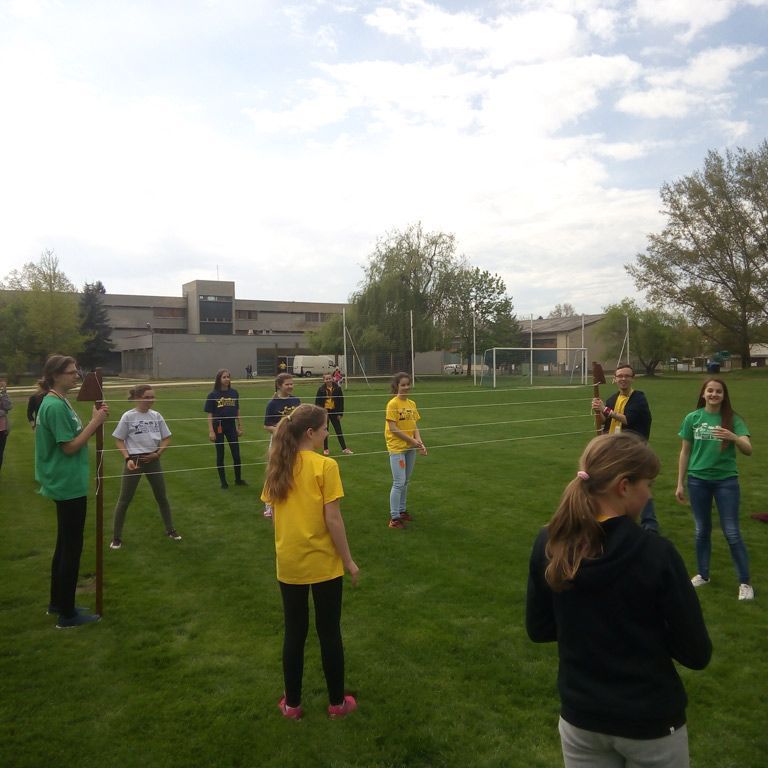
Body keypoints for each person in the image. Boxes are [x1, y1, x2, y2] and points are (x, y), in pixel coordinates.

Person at [526, 432, 711, 768]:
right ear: (624, 486)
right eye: (648, 485)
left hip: (581, 717)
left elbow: (540, 628)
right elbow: (696, 652)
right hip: (649, 722)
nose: (649, 494)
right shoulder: (657, 554)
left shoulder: (549, 542)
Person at [260, 403, 359, 720]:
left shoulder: (278, 464)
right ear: (310, 432)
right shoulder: (325, 466)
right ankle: (337, 704)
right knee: (329, 632)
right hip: (323, 563)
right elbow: (334, 519)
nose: (327, 432)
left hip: (289, 562)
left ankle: (292, 705)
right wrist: (349, 561)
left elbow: (271, 513)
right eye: (325, 428)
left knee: (294, 632)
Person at [34, 354, 109, 629]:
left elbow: (72, 434)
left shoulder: (58, 400)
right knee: (71, 549)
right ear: (55, 375)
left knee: (64, 544)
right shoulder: (54, 405)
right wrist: (96, 422)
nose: (77, 375)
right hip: (66, 484)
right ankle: (67, 615)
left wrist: (92, 419)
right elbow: (69, 447)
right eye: (71, 372)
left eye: (76, 371)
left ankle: (58, 602)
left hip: (66, 481)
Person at [675, 378, 754, 600]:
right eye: (710, 390)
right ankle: (703, 574)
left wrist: (734, 437)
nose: (714, 394)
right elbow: (685, 452)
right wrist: (680, 482)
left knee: (732, 532)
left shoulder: (733, 419)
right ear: (703, 394)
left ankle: (745, 583)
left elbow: (748, 449)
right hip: (697, 481)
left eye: (718, 391)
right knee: (702, 530)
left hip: (726, 481)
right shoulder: (693, 418)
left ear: (723, 395)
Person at [110, 385, 181, 550]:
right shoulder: (128, 416)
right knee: (124, 500)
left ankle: (170, 529)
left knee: (161, 497)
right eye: (147, 397)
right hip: (134, 461)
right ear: (138, 398)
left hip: (153, 460)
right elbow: (119, 440)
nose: (151, 400)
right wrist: (127, 458)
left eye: (152, 397)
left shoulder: (156, 416)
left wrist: (158, 453)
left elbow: (167, 438)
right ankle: (116, 537)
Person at [591, 363, 659, 533]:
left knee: (639, 484)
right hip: (616, 450)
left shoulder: (639, 398)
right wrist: (598, 411)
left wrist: (605, 410)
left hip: (635, 450)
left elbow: (627, 419)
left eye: (627, 376)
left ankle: (650, 525)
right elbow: (606, 421)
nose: (623, 379)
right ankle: (621, 520)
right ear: (614, 379)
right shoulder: (613, 399)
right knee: (618, 487)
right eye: (620, 376)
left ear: (632, 379)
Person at [385, 372, 427, 529]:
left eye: (408, 384)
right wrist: (411, 441)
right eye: (403, 385)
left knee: (406, 481)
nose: (406, 387)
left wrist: (420, 443)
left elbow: (414, 426)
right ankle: (394, 518)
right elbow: (393, 428)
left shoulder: (411, 404)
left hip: (410, 448)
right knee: (398, 482)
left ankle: (402, 511)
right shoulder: (392, 404)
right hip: (397, 448)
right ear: (396, 386)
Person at [263, 373, 301, 519]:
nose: (290, 386)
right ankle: (269, 504)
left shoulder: (296, 400)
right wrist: (281, 431)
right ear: (279, 386)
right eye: (287, 384)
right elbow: (267, 425)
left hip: (295, 441)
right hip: (278, 442)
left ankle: (291, 499)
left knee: (295, 469)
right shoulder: (272, 403)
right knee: (275, 471)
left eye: (292, 383)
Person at [204, 369, 245, 489]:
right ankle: (223, 482)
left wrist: (240, 425)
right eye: (224, 377)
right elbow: (210, 414)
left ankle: (238, 479)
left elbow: (237, 410)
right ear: (219, 379)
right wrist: (211, 431)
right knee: (220, 454)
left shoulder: (234, 393)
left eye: (228, 377)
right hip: (219, 426)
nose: (227, 379)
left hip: (231, 425)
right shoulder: (213, 395)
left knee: (236, 454)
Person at [314, 372, 352, 456]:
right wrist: (319, 413)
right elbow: (317, 402)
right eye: (326, 379)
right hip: (324, 412)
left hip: (334, 411)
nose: (328, 380)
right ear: (324, 380)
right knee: (325, 430)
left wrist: (340, 413)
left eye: (329, 378)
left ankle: (344, 448)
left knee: (338, 430)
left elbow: (341, 401)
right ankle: (326, 449)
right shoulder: (321, 389)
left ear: (332, 378)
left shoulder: (337, 388)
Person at [0, 380, 12, 474]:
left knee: (0, 453)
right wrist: (2, 412)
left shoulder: (2, 395)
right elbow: (4, 411)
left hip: (2, 429)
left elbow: (8, 406)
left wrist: (4, 392)